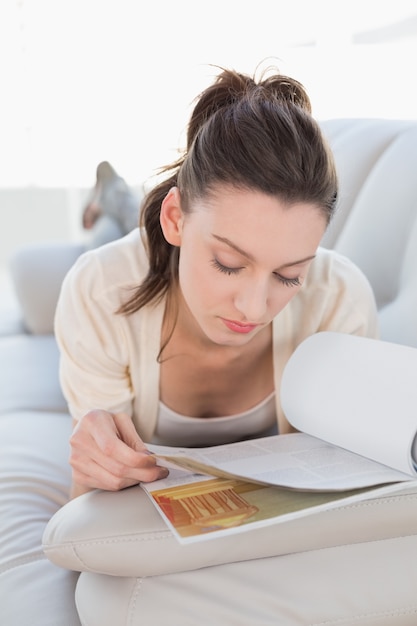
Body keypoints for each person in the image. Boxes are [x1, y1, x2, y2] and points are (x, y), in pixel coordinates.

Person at [54, 65, 379, 500]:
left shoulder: (339, 300)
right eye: (228, 263)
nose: (254, 308)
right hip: (139, 254)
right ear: (175, 218)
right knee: (112, 228)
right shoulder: (101, 289)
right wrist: (96, 466)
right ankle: (111, 194)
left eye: (289, 275)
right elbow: (92, 508)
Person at [81, 160, 141, 249]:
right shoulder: (106, 219)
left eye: (87, 219)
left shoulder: (116, 192)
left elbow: (134, 221)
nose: (89, 223)